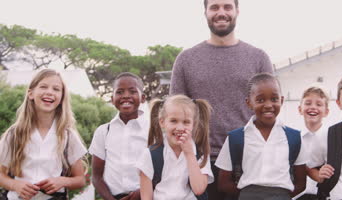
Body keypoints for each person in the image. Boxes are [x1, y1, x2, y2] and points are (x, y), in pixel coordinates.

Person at [170, 0, 273, 199]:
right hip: (198, 161)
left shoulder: (258, 57)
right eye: (214, 7)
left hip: (246, 160)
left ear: (237, 11)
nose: (221, 13)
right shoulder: (186, 60)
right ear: (205, 13)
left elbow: (269, 112)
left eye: (227, 7)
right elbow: (175, 114)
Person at [215, 73, 307, 199]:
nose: (268, 105)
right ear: (249, 103)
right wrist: (247, 195)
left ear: (282, 100)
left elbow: (301, 183)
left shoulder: (294, 137)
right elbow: (223, 183)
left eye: (274, 99)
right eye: (260, 100)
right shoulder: (235, 138)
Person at [0, 69, 87, 200]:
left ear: (62, 97)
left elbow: (80, 179)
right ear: (30, 94)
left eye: (56, 89)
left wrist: (62, 181)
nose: (49, 92)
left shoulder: (68, 136)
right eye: (43, 86)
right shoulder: (14, 134)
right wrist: (14, 184)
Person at [138, 95, 213, 200]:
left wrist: (189, 153)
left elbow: (199, 189)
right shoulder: (150, 154)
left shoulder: (200, 153)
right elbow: (146, 197)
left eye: (186, 122)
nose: (180, 128)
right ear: (162, 122)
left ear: (193, 124)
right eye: (173, 121)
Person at [89, 72, 148, 200]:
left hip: (146, 196)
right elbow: (96, 177)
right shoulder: (103, 131)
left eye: (132, 91)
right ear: (112, 99)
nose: (126, 96)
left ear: (143, 98)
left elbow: (162, 170)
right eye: (120, 92)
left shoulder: (153, 131)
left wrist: (141, 192)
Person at [293, 87, 330, 200]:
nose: (313, 107)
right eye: (308, 103)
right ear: (300, 109)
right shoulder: (294, 138)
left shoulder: (331, 138)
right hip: (297, 196)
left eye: (319, 104)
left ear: (326, 112)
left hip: (324, 196)